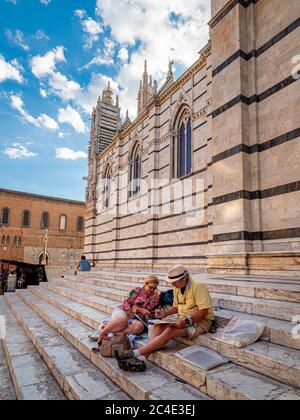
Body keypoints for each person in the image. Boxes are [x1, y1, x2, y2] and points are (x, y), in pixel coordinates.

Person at [119, 265, 214, 361]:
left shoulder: (199, 287)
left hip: (199, 322)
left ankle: (135, 353)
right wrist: (165, 313)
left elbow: (204, 311)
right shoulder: (177, 287)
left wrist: (186, 321)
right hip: (181, 317)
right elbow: (176, 307)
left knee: (170, 330)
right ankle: (143, 358)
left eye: (174, 282)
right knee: (158, 326)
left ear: (184, 278)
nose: (172, 285)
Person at [89, 275, 160, 343]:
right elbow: (126, 303)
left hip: (135, 319)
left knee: (139, 327)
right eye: (150, 287)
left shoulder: (154, 297)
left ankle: (106, 329)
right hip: (124, 311)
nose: (152, 290)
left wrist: (156, 313)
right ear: (145, 284)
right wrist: (139, 310)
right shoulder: (137, 290)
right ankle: (101, 334)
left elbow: (151, 313)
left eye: (154, 288)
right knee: (123, 320)